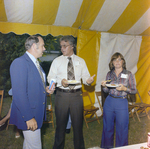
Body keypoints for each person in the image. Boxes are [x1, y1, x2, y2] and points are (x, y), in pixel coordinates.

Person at [47, 35, 95, 149]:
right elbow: (50, 78)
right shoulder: (56, 61)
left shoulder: (81, 61)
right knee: (60, 127)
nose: (62, 48)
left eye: (65, 46)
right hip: (61, 96)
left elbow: (86, 77)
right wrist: (60, 82)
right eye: (61, 46)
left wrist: (88, 81)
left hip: (76, 96)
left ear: (72, 46)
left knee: (78, 126)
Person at [10, 35, 55, 149]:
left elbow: (34, 85)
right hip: (29, 115)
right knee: (35, 146)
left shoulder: (35, 63)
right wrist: (29, 117)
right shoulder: (20, 62)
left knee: (29, 145)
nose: (44, 49)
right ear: (35, 46)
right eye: (43, 46)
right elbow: (19, 94)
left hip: (35, 113)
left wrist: (46, 89)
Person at [101, 52, 137, 149]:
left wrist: (125, 89)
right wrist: (104, 86)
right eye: (115, 59)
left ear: (123, 62)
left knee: (122, 129)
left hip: (122, 102)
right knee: (107, 128)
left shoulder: (128, 74)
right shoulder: (109, 74)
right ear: (112, 62)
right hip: (109, 102)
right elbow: (106, 90)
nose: (117, 61)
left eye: (119, 59)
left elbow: (134, 90)